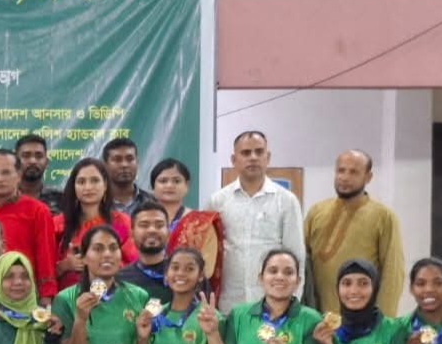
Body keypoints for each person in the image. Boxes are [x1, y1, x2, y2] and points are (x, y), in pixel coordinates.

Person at [54, 223, 152, 344]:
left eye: (113, 248)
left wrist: (142, 338)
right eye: (98, 248)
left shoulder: (138, 296)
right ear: (84, 257)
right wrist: (80, 320)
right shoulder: (66, 299)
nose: (107, 254)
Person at [207, 131, 305, 310]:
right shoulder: (218, 201)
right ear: (233, 160)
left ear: (268, 157)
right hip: (229, 304)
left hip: (273, 305)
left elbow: (296, 256)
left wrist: (292, 303)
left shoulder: (286, 201)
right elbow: (210, 254)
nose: (253, 157)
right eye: (246, 153)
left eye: (259, 152)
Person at [305, 150, 405, 316]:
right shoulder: (317, 212)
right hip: (319, 318)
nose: (345, 177)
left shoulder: (383, 216)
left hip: (362, 320)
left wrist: (382, 321)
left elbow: (393, 273)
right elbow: (303, 263)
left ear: (368, 177)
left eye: (353, 172)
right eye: (341, 170)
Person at [0, 149, 59, 300]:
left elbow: (46, 258)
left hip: (24, 294)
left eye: (6, 173)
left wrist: (47, 297)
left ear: (18, 175)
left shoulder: (38, 211)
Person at [55, 158, 135, 293]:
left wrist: (99, 261)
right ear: (73, 187)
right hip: (68, 298)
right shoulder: (58, 224)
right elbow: (43, 272)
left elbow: (133, 265)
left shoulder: (120, 223)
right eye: (81, 182)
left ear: (105, 185)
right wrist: (65, 265)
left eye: (94, 181)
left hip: (113, 296)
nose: (88, 187)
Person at [151, 159, 225, 296]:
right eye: (163, 181)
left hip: (188, 295)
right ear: (153, 188)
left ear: (187, 186)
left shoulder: (201, 223)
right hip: (146, 290)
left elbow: (207, 269)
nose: (169, 185)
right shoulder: (142, 223)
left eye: (176, 181)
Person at [117, 201, 174, 303]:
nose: (152, 230)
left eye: (159, 225)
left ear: (169, 232)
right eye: (144, 225)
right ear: (132, 233)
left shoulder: (183, 274)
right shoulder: (120, 280)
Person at [101, 137, 154, 217]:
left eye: (130, 159)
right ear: (105, 165)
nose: (124, 165)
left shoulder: (152, 202)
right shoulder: (95, 203)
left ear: (137, 162)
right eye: (117, 160)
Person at [15, 134, 64, 213]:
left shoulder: (62, 198)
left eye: (39, 156)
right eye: (26, 156)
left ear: (46, 162)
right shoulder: (3, 197)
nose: (33, 161)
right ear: (15, 161)